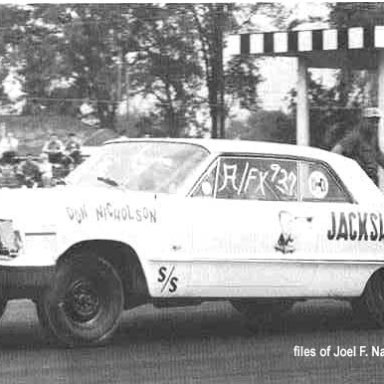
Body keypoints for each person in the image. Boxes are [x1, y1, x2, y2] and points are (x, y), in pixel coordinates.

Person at [331, 107, 384, 185]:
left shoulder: (372, 136)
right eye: (371, 121)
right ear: (363, 121)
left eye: (377, 122)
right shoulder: (354, 137)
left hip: (371, 180)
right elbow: (335, 153)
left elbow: (378, 155)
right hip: (358, 181)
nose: (375, 125)